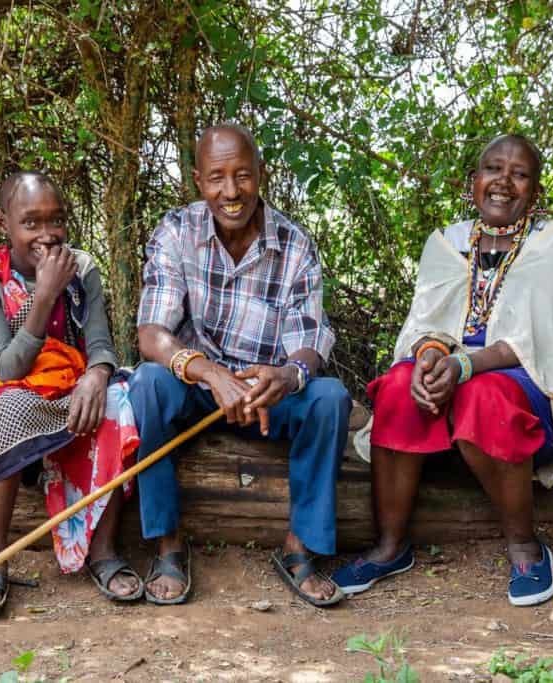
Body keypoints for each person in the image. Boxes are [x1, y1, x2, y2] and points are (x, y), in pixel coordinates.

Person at [334, 135, 553, 606]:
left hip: (523, 378)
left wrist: (465, 365)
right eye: (493, 169)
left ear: (534, 192)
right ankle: (389, 547)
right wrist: (432, 356)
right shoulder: (446, 242)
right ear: (473, 183)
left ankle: (524, 545)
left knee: (484, 395)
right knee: (398, 386)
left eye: (519, 174)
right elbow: (427, 322)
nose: (503, 181)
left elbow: (539, 343)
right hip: (453, 372)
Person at [128, 124, 352, 607]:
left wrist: (288, 375)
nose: (231, 192)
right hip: (199, 389)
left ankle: (300, 548)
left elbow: (310, 338)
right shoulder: (177, 230)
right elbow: (152, 334)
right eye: (216, 178)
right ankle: (167, 545)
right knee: (147, 383)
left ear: (261, 175)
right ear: (197, 181)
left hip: (266, 395)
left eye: (243, 176)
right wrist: (210, 373)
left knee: (329, 397)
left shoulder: (294, 244)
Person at [0, 171, 142, 616]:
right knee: (12, 408)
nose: (47, 234)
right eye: (31, 223)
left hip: (73, 386)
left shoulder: (84, 267)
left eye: (55, 221)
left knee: (120, 403)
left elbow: (99, 345)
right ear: (4, 223)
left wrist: (97, 376)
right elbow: (8, 365)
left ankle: (103, 549)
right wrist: (45, 295)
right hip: (15, 387)